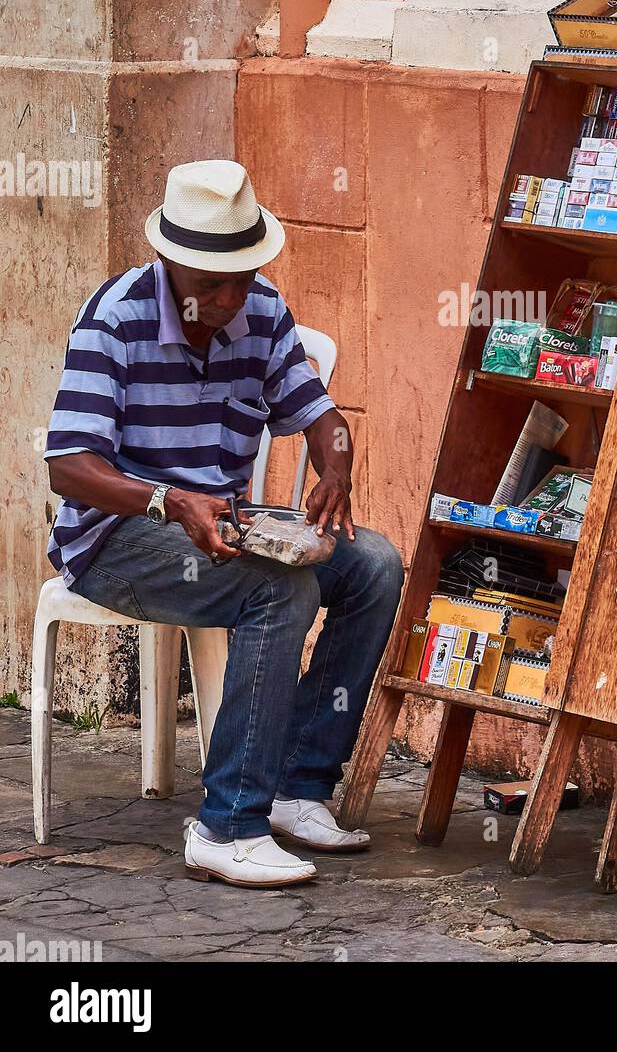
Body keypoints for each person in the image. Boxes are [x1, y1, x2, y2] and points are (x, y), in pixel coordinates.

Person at [44, 159, 403, 888]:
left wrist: (336, 463)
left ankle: (298, 789)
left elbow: (321, 416)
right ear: (171, 261)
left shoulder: (262, 311)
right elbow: (68, 466)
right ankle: (227, 824)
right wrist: (166, 500)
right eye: (212, 282)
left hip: (226, 528)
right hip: (117, 538)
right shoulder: (114, 319)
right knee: (277, 592)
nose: (229, 297)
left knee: (375, 565)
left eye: (240, 277)